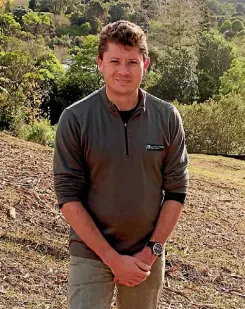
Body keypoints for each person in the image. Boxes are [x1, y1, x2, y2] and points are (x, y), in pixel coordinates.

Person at [53, 20, 189, 309]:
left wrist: (151, 251)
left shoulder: (166, 117)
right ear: (100, 63)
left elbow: (177, 192)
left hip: (146, 253)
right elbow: (68, 198)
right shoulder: (75, 118)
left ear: (145, 64)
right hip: (91, 252)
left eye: (132, 62)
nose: (123, 71)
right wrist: (112, 259)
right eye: (115, 61)